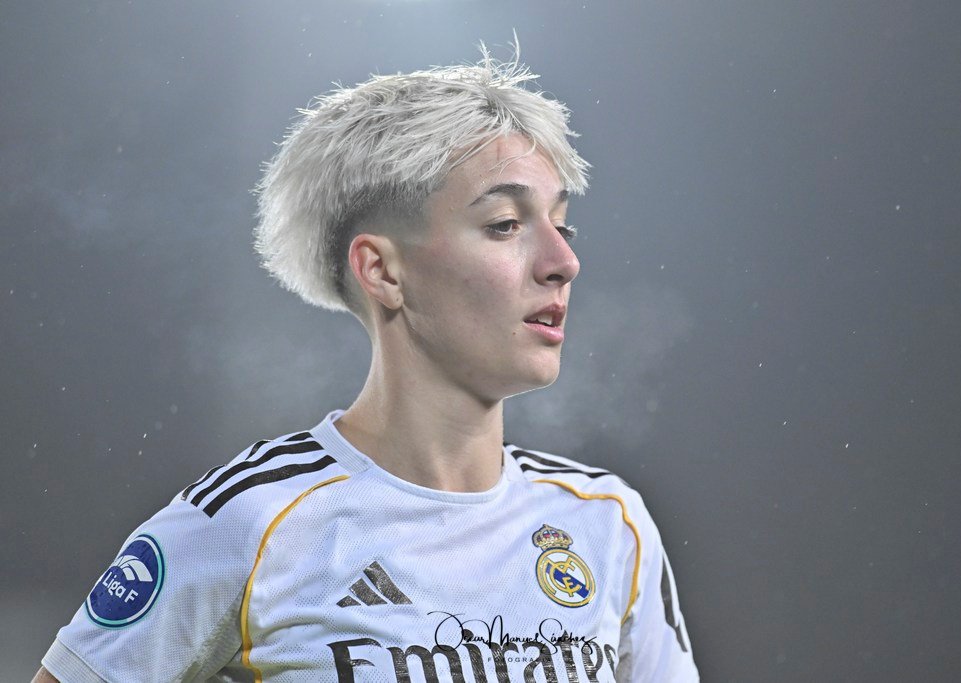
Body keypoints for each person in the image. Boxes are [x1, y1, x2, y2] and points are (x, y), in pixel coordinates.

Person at [35, 45, 699, 682]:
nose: (564, 262)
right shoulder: (250, 520)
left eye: (563, 225)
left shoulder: (608, 521)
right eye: (504, 224)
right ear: (382, 271)